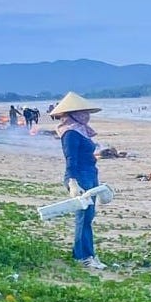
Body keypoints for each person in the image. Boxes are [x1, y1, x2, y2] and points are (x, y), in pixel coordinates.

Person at [50, 92, 105, 269]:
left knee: (89, 215)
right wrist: (72, 181)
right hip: (80, 175)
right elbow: (70, 158)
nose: (86, 115)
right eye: (83, 112)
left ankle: (83, 253)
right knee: (84, 216)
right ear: (72, 113)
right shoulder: (70, 132)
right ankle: (84, 256)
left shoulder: (81, 130)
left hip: (90, 173)